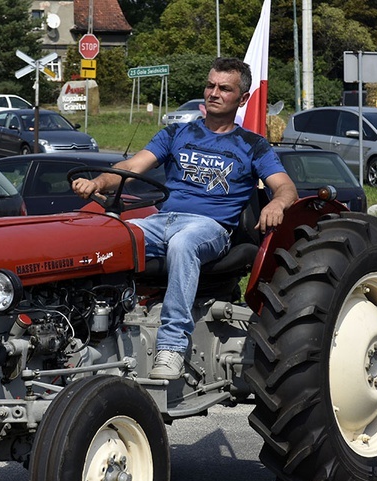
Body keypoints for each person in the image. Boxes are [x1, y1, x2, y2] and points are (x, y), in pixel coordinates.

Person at [72, 57, 298, 379]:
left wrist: (276, 205)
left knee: (182, 244)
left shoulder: (252, 145)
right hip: (162, 219)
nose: (214, 93)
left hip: (210, 228)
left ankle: (172, 346)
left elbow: (286, 188)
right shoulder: (177, 134)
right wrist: (98, 182)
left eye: (224, 88)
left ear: (242, 98)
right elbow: (132, 167)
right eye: (210, 85)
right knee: (108, 237)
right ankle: (89, 331)